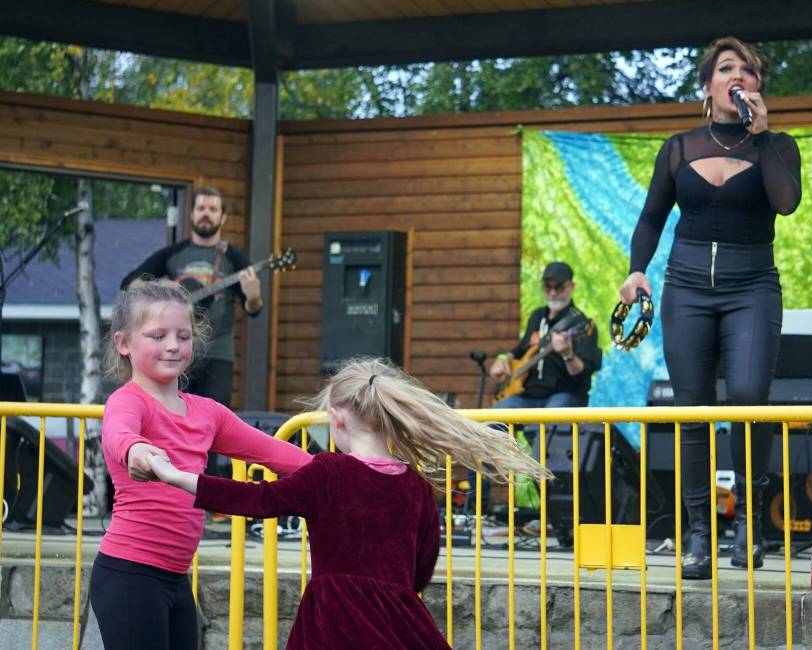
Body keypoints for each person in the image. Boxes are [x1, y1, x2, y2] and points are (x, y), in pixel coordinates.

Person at [145, 357, 552, 649]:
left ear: (337, 417)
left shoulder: (328, 473)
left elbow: (259, 499)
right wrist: (392, 595)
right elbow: (423, 565)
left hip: (332, 621)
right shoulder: (414, 486)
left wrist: (179, 477)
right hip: (398, 620)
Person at [619, 37, 802, 580]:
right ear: (708, 85)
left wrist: (762, 134)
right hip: (688, 288)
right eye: (727, 68)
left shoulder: (778, 145)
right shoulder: (678, 147)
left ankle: (749, 524)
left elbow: (786, 202)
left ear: (757, 87)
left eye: (748, 70)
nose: (738, 75)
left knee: (747, 399)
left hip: (752, 288)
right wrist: (636, 269)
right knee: (693, 410)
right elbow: (652, 218)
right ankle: (700, 534)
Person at [89, 280, 312, 650]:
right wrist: (137, 451)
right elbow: (118, 433)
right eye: (158, 335)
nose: (173, 345)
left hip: (176, 579)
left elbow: (278, 453)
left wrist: (345, 472)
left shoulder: (208, 413)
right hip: (130, 575)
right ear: (124, 343)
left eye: (183, 335)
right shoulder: (128, 401)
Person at [121, 185, 262, 407]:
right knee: (172, 413)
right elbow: (129, 284)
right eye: (201, 208)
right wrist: (165, 287)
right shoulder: (174, 254)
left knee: (214, 419)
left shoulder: (234, 259)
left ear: (222, 217)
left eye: (213, 209)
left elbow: (253, 310)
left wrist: (253, 296)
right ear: (192, 214)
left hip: (218, 353)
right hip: (175, 350)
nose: (206, 213)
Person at [488, 261, 602, 409]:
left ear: (571, 287)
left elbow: (584, 374)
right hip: (526, 395)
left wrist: (568, 354)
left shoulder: (582, 324)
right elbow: (521, 349)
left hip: (564, 394)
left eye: (559, 287)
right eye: (548, 287)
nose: (553, 293)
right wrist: (502, 358)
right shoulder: (537, 316)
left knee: (553, 416)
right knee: (492, 420)